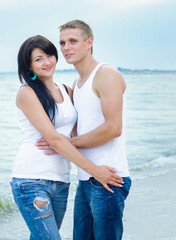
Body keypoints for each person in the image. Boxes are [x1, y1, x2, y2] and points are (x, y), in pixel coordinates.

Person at [11, 35, 123, 240]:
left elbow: (76, 136)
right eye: (38, 59)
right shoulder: (27, 93)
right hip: (31, 180)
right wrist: (96, 171)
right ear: (28, 66)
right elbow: (54, 139)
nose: (47, 62)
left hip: (61, 182)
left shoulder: (66, 89)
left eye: (49, 55)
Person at [36, 20, 131, 240]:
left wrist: (67, 144)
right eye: (62, 43)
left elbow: (113, 128)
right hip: (87, 179)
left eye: (72, 41)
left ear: (89, 42)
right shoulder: (76, 83)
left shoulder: (106, 74)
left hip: (109, 178)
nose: (66, 47)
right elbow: (76, 131)